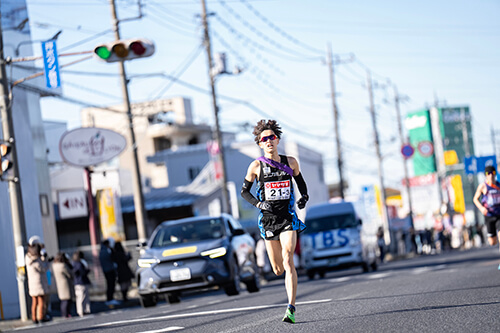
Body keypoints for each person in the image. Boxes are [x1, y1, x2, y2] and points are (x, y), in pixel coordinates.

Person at [241, 119, 308, 324]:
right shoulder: (256, 166)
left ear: (277, 140)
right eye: (264, 139)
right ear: (260, 144)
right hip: (268, 222)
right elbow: (244, 192)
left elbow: (300, 182)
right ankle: (288, 297)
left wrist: (303, 197)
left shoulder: (291, 162)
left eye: (272, 137)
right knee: (277, 269)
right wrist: (259, 205)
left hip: (288, 218)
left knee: (288, 260)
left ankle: (291, 308)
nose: (269, 141)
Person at [473, 165, 500, 268]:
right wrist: (482, 208)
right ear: (485, 176)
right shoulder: (483, 186)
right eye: (488, 174)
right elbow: (475, 199)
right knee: (492, 242)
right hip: (489, 216)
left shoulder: (498, 185)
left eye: (492, 174)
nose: (491, 176)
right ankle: (495, 238)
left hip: (499, 215)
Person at [25, 243, 50, 324]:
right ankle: (41, 317)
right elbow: (43, 269)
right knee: (41, 300)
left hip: (32, 284)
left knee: (34, 301)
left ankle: (34, 318)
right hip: (39, 283)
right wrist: (47, 262)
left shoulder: (28, 258)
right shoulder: (36, 260)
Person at [52, 252, 75, 318]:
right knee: (67, 300)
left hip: (60, 284)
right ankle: (66, 314)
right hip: (66, 284)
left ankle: (64, 314)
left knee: (64, 300)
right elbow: (70, 274)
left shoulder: (55, 265)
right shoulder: (63, 265)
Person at [99, 238, 120, 306]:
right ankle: (110, 299)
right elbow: (111, 258)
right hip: (109, 270)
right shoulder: (106, 251)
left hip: (106, 270)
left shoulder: (102, 250)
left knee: (110, 284)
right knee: (111, 284)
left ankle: (110, 298)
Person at [72, 251, 91, 317]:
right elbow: (82, 272)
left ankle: (81, 311)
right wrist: (87, 271)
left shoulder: (73, 264)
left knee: (79, 298)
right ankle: (83, 310)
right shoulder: (80, 264)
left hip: (76, 282)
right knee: (83, 297)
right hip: (82, 282)